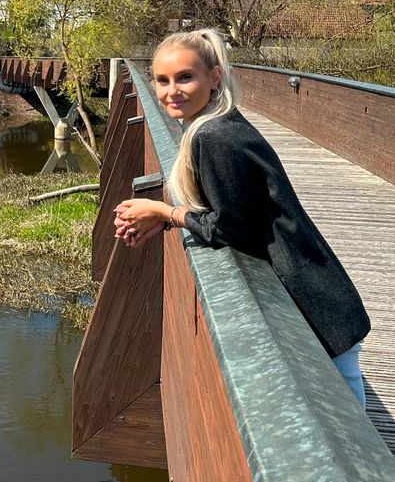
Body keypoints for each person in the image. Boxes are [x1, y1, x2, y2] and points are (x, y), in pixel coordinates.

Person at [113, 28, 371, 407]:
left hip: (312, 299)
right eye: (162, 80)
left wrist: (164, 211)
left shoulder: (213, 137)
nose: (172, 91)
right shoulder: (219, 123)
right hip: (318, 289)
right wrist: (166, 219)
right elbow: (236, 209)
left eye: (185, 77)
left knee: (351, 426)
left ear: (214, 77)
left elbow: (231, 228)